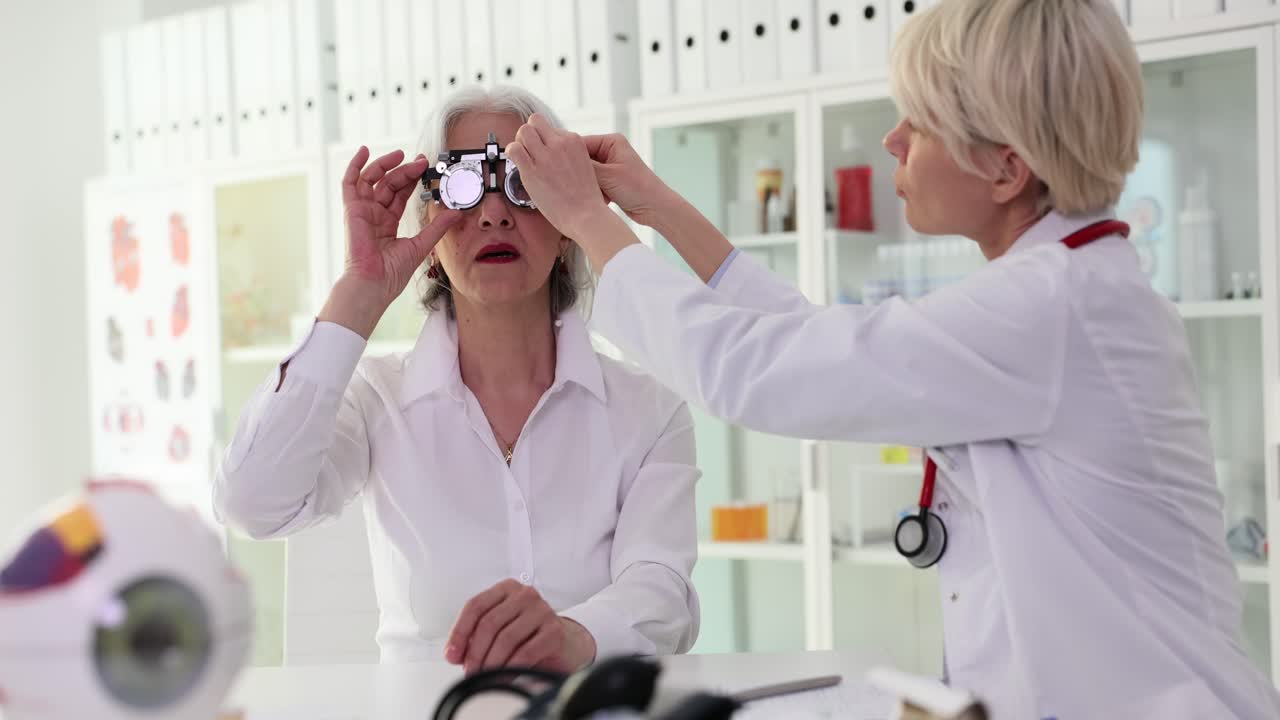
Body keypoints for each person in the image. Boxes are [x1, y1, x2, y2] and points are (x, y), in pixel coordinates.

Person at [503, 0, 1280, 717]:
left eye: (921, 122)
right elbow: (811, 337)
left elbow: (753, 370)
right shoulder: (1060, 292)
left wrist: (585, 218)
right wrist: (658, 205)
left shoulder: (1050, 310)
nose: (892, 139)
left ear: (1006, 167)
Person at [213, 86, 700, 674]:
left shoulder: (650, 412)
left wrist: (570, 637)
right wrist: (360, 290)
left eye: (523, 183)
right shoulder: (375, 401)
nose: (494, 213)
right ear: (430, 232)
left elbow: (662, 592)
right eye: (464, 187)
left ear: (569, 220)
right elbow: (251, 505)